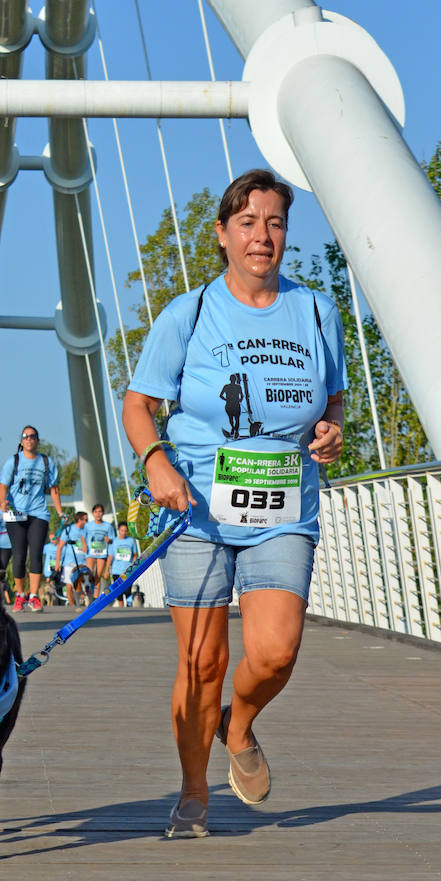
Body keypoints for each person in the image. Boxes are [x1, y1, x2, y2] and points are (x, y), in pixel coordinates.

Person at [122, 168, 346, 840]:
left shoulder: (314, 312)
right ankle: (193, 793)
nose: (262, 236)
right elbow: (138, 406)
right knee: (203, 663)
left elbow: (331, 401)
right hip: (194, 506)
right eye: (247, 223)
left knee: (276, 651)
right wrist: (155, 461)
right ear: (222, 235)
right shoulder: (188, 314)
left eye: (275, 223)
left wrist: (332, 433)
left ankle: (238, 724)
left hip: (282, 506)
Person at [0, 426, 64, 612]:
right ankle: (20, 595)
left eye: (32, 436)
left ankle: (33, 596)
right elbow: (3, 486)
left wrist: (59, 512)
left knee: (35, 555)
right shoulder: (14, 461)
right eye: (25, 436)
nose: (29, 439)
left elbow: (54, 489)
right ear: (21, 441)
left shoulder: (46, 462)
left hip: (39, 514)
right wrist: (3, 502)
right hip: (16, 514)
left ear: (38, 440)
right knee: (18, 556)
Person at [56, 510, 90, 607]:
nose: (87, 522)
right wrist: (58, 563)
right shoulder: (69, 530)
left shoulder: (86, 530)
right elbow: (60, 546)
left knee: (83, 585)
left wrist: (84, 543)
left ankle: (82, 603)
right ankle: (72, 606)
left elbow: (87, 547)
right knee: (69, 585)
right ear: (79, 520)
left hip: (83, 563)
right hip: (69, 563)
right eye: (85, 520)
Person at [84, 503, 115, 597]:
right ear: (93, 513)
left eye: (100, 512)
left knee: (98, 575)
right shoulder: (88, 525)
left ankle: (95, 597)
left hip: (102, 553)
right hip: (90, 553)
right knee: (88, 574)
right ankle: (87, 594)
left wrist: (108, 540)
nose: (98, 514)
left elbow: (112, 539)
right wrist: (84, 545)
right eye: (96, 512)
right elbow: (82, 536)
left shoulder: (108, 526)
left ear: (103, 513)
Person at [109, 522, 140, 607]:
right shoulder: (114, 541)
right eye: (122, 530)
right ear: (118, 530)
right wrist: (107, 569)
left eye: (125, 531)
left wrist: (134, 565)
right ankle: (121, 608)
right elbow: (111, 556)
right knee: (118, 591)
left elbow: (135, 554)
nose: (123, 533)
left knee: (127, 590)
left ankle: (129, 606)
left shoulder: (131, 541)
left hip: (127, 570)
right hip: (116, 570)